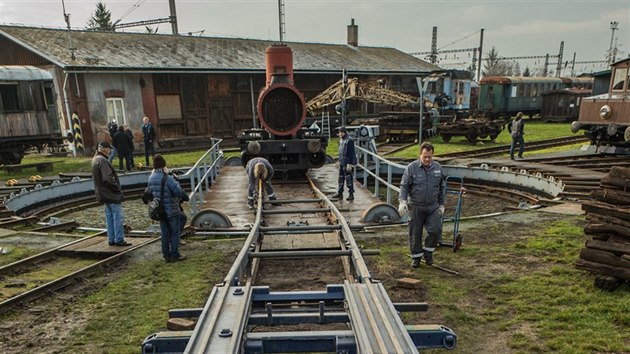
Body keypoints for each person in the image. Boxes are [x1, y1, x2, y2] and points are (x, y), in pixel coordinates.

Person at [398, 142, 445, 268]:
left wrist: (441, 204)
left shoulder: (438, 168)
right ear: (420, 155)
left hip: (432, 206)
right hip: (416, 206)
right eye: (425, 157)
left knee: (436, 230)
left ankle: (428, 252)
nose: (427, 159)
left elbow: (441, 187)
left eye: (430, 157)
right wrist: (402, 201)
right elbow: (404, 186)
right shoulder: (411, 168)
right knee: (415, 233)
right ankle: (416, 257)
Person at [147, 154, 189, 262]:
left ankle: (166, 255)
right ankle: (174, 254)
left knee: (164, 233)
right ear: (164, 165)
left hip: (160, 211)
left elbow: (150, 193)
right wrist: (186, 197)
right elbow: (178, 191)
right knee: (175, 232)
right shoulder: (168, 178)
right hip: (171, 209)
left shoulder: (150, 178)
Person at [91, 141, 131, 247]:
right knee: (117, 216)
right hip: (111, 194)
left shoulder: (95, 159)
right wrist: (117, 188)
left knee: (109, 217)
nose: (110, 151)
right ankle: (119, 239)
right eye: (109, 149)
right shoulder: (103, 160)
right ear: (104, 149)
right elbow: (108, 178)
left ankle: (111, 238)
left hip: (103, 194)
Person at [332, 126, 357, 201]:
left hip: (347, 162)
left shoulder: (349, 141)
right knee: (341, 178)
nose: (340, 134)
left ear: (344, 132)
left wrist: (350, 163)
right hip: (342, 162)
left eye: (341, 132)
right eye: (339, 132)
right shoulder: (341, 141)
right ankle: (340, 193)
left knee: (348, 179)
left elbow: (352, 153)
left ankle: (351, 194)